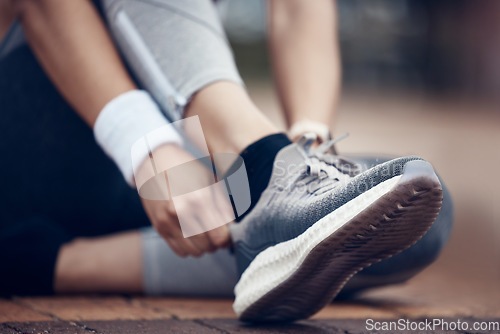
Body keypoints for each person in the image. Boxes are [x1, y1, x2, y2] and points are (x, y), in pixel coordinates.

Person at [0, 0, 453, 322]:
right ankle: (267, 163)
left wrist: (311, 139)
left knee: (415, 206)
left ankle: (40, 260)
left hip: (168, 171)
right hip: (42, 132)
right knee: (332, 199)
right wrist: (145, 145)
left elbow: (299, 9)